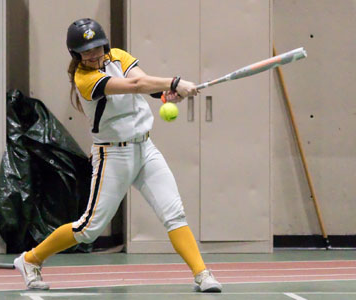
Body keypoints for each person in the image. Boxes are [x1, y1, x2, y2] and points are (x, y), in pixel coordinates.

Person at [14, 18, 222, 293]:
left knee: (174, 214)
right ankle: (30, 260)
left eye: (97, 47)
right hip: (112, 155)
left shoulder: (119, 57)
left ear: (105, 45)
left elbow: (142, 82)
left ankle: (202, 274)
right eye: (85, 51)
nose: (93, 54)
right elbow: (134, 87)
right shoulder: (85, 79)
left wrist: (165, 93)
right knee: (89, 228)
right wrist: (175, 81)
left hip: (145, 149)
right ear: (75, 55)